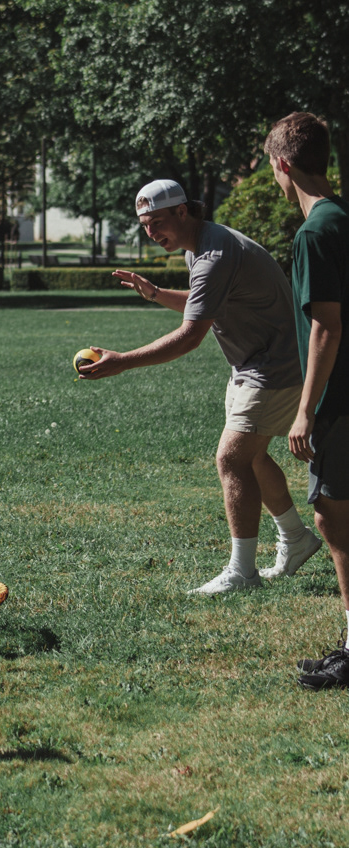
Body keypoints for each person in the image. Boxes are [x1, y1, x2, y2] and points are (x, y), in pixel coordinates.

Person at [78, 178, 321, 593]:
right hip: (252, 364)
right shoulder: (203, 245)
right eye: (145, 226)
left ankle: (242, 572)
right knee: (252, 458)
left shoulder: (213, 253)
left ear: (182, 211)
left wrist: (124, 361)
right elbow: (204, 301)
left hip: (274, 366)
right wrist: (156, 293)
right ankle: (296, 538)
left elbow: (190, 336)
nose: (151, 233)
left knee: (232, 459)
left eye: (157, 222)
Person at [266, 112, 349, 689]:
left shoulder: (316, 232)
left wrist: (304, 410)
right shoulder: (343, 218)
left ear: (283, 164)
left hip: (340, 401)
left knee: (333, 515)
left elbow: (326, 328)